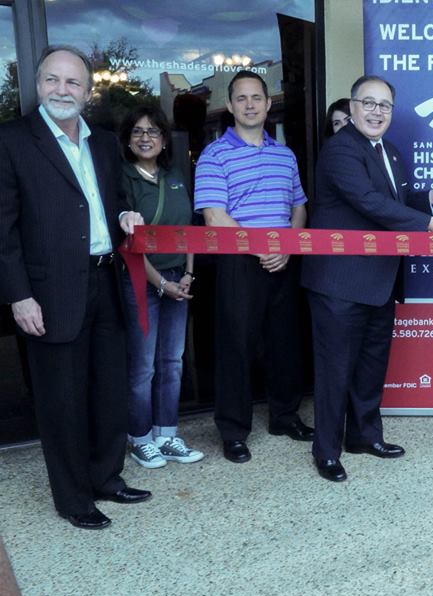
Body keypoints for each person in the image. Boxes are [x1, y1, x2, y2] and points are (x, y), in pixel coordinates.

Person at [0, 45, 149, 529]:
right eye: (52, 80)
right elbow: (2, 229)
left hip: (106, 279)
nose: (62, 90)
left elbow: (115, 199)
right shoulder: (11, 141)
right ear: (37, 84)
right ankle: (73, 498)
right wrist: (19, 295)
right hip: (48, 292)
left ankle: (107, 477)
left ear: (88, 92)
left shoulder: (104, 142)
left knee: (109, 390)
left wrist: (126, 213)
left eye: (72, 83)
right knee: (61, 399)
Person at [301, 75, 433, 482]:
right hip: (339, 282)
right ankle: (327, 452)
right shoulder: (340, 150)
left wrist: (431, 196)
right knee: (334, 370)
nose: (377, 112)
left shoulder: (388, 151)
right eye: (368, 103)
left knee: (371, 366)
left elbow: (394, 202)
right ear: (352, 107)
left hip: (380, 280)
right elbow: (369, 203)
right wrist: (429, 223)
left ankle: (364, 436)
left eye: (385, 105)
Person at [195, 70, 312, 464]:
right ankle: (233, 430)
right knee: (235, 347)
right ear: (230, 106)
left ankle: (284, 416)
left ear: (267, 104)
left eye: (256, 98)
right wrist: (263, 248)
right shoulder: (214, 155)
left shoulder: (285, 154)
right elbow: (214, 216)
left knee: (285, 344)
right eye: (241, 98)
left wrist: (289, 248)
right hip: (239, 264)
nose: (249, 105)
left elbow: (299, 206)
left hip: (283, 261)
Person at [118, 106, 204, 468]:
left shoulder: (175, 176)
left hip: (176, 280)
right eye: (138, 132)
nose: (145, 138)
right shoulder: (122, 178)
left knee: (172, 362)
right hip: (142, 281)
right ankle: (140, 438)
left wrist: (188, 274)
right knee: (143, 367)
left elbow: (187, 231)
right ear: (128, 139)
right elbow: (129, 244)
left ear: (164, 139)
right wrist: (162, 283)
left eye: (152, 131)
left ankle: (166, 434)